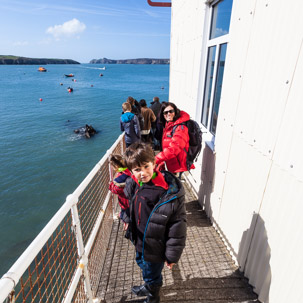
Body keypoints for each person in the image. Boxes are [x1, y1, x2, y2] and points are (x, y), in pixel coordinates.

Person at [123, 142, 187, 303]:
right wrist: (126, 218)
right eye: (137, 170)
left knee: (152, 271)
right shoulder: (136, 184)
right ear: (131, 171)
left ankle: (153, 297)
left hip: (156, 244)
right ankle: (149, 284)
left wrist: (171, 256)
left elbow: (177, 225)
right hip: (140, 239)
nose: (143, 173)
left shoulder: (165, 191)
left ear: (154, 163)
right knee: (142, 263)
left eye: (146, 166)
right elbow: (131, 205)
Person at [155, 102, 192, 176]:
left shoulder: (180, 128)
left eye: (171, 111)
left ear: (175, 112)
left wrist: (156, 159)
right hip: (170, 161)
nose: (168, 114)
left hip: (177, 164)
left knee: (175, 184)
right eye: (165, 112)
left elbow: (174, 148)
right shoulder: (169, 124)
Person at [108, 154, 132, 226]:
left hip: (125, 200)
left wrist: (110, 185)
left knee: (126, 213)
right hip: (132, 197)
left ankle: (126, 224)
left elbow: (116, 190)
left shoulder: (120, 178)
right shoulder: (129, 169)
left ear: (116, 167)